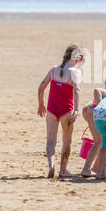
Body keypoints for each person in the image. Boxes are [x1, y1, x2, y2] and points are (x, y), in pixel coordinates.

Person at [37, 44, 85, 178]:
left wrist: (41, 104)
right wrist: (76, 108)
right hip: (66, 111)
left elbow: (41, 87)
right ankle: (63, 170)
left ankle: (51, 166)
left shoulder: (53, 69)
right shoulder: (75, 72)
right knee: (67, 141)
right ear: (78, 58)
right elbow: (76, 90)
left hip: (51, 110)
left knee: (51, 141)